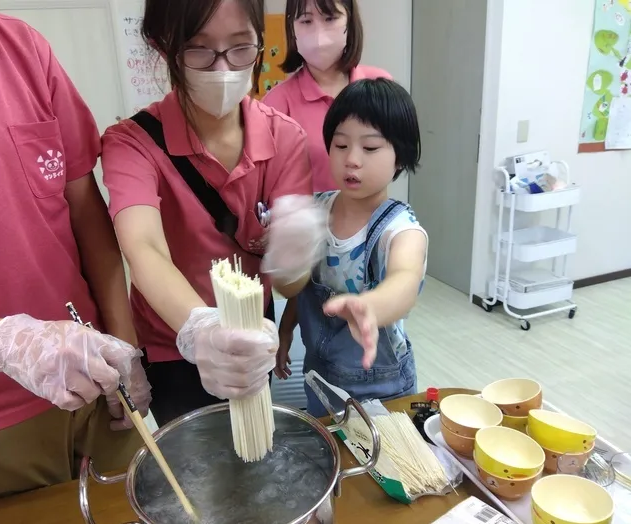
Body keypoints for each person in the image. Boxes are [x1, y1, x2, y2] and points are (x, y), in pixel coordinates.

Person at [0, 0, 151, 507]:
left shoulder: (22, 48)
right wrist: (8, 341)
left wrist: (124, 341)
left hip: (97, 377)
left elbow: (83, 210)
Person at [101, 0, 325, 426]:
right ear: (164, 46)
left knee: (254, 443)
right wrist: (200, 331)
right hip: (173, 339)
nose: (223, 68)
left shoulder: (284, 138)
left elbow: (290, 284)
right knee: (194, 461)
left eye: (241, 47)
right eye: (199, 49)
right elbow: (144, 248)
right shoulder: (130, 143)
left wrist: (294, 257)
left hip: (252, 334)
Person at [274, 78, 427, 417]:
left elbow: (405, 279)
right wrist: (285, 331)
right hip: (319, 377)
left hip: (382, 387)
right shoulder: (315, 212)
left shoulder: (400, 230)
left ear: (400, 157)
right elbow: (303, 288)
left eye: (370, 148)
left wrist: (370, 307)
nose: (352, 160)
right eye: (340, 146)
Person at [262, 0, 391, 193]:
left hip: (372, 218)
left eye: (330, 18)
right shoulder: (274, 105)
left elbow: (395, 159)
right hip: (307, 222)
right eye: (306, 21)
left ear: (349, 20)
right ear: (292, 27)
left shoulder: (381, 85)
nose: (319, 35)